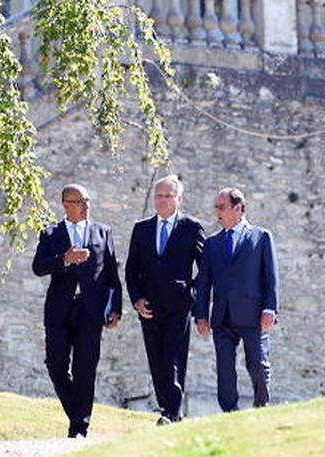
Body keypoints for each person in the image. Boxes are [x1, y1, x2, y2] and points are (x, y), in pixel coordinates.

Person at [32, 184, 123, 438]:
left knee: (86, 368)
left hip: (90, 311)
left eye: (87, 200)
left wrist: (115, 308)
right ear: (65, 204)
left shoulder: (102, 232)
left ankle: (79, 427)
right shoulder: (51, 233)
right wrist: (64, 260)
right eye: (80, 201)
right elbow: (38, 267)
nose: (86, 206)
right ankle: (77, 413)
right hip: (59, 310)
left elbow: (112, 274)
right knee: (55, 364)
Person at [125, 175, 206, 424]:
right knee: (157, 360)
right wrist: (137, 299)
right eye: (158, 195)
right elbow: (131, 269)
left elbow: (205, 269)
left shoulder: (192, 227)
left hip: (178, 305)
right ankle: (169, 411)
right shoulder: (142, 228)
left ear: (179, 199)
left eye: (168, 195)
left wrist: (191, 293)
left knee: (173, 357)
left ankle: (170, 411)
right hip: (149, 306)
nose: (162, 200)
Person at [194, 188, 279, 412]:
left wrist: (270, 308)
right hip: (222, 317)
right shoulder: (212, 244)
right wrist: (201, 315)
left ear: (238, 208)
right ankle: (229, 412)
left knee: (257, 365)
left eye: (221, 207)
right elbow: (203, 282)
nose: (216, 212)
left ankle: (262, 404)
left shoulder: (261, 237)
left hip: (253, 315)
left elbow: (270, 276)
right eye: (216, 207)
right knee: (224, 368)